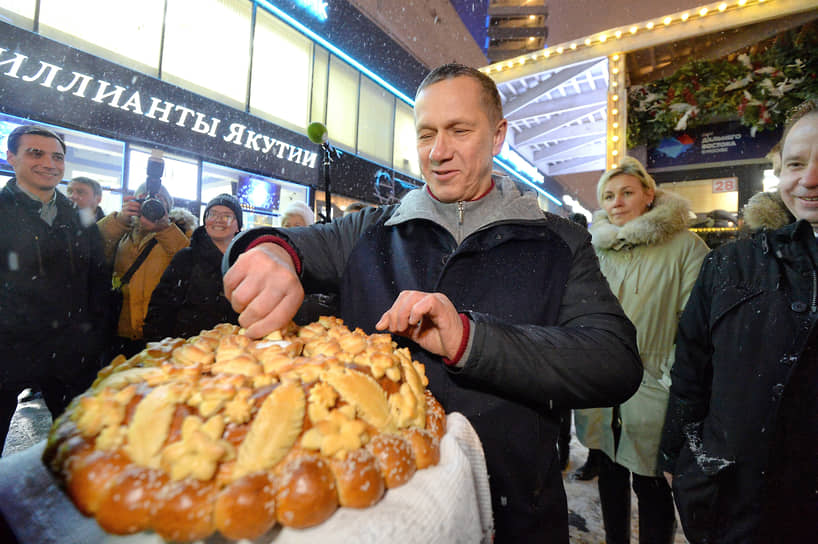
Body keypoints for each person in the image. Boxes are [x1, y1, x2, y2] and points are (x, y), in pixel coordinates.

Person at [222, 63, 642, 541]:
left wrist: (470, 339)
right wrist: (268, 254)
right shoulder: (370, 231)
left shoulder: (559, 243)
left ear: (498, 135)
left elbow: (615, 361)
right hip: (385, 516)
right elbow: (279, 243)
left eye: (459, 130)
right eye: (426, 135)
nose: (438, 152)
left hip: (518, 512)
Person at [660, 98, 818, 543]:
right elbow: (691, 372)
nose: (809, 179)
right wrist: (681, 464)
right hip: (734, 512)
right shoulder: (731, 264)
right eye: (796, 163)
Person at [572, 157, 707, 544]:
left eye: (627, 192)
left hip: (654, 387)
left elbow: (695, 327)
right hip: (601, 384)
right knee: (610, 474)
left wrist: (671, 378)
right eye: (608, 195)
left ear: (648, 195)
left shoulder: (685, 247)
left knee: (652, 486)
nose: (616, 202)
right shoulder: (596, 249)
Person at [0, 125, 110, 450]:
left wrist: (93, 341)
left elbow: (98, 282)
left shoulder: (79, 219)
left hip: (68, 355)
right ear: (11, 158)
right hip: (6, 350)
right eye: (36, 153)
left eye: (57, 157)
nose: (49, 163)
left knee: (76, 446)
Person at [98, 181, 196, 357]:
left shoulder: (179, 231)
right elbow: (94, 246)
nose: (152, 203)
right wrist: (120, 220)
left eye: (159, 199)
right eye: (145, 199)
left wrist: (164, 228)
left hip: (160, 327)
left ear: (167, 205)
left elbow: (188, 262)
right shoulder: (124, 232)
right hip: (120, 327)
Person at [143, 194, 242, 341]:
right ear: (205, 221)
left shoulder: (245, 261)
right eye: (212, 214)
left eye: (227, 216)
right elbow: (161, 307)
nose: (218, 220)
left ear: (238, 226)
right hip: (187, 350)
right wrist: (159, 345)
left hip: (234, 350)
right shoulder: (186, 258)